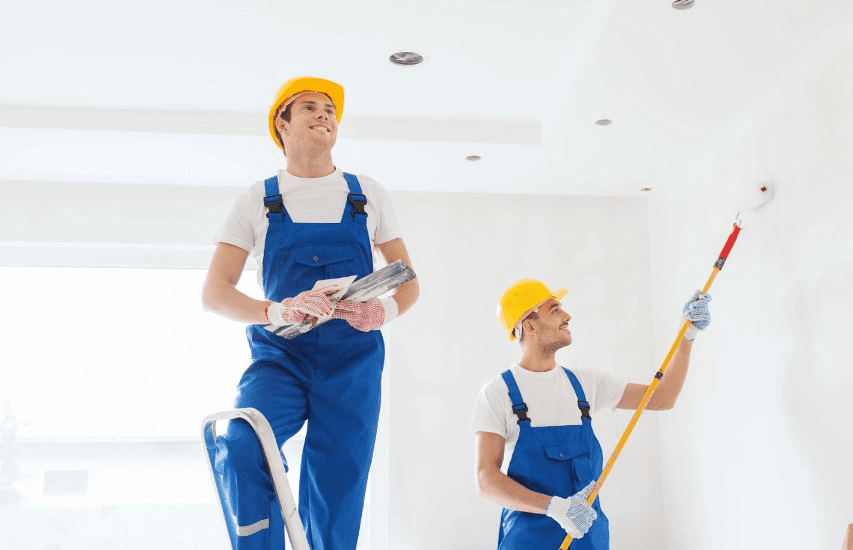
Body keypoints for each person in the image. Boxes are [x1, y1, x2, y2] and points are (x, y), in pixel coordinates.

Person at [202, 76, 419, 550]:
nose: (325, 115)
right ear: (282, 124)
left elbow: (408, 282)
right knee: (242, 443)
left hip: (354, 360)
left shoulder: (367, 195)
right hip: (281, 356)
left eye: (330, 110)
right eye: (309, 108)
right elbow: (215, 294)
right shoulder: (257, 200)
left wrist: (381, 312)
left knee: (338, 483)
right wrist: (277, 308)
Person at [471, 278, 711, 549]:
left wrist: (686, 337)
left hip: (588, 539)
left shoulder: (585, 384)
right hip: (529, 541)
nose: (567, 316)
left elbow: (663, 398)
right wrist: (555, 508)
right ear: (530, 325)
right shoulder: (497, 393)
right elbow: (485, 479)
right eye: (555, 310)